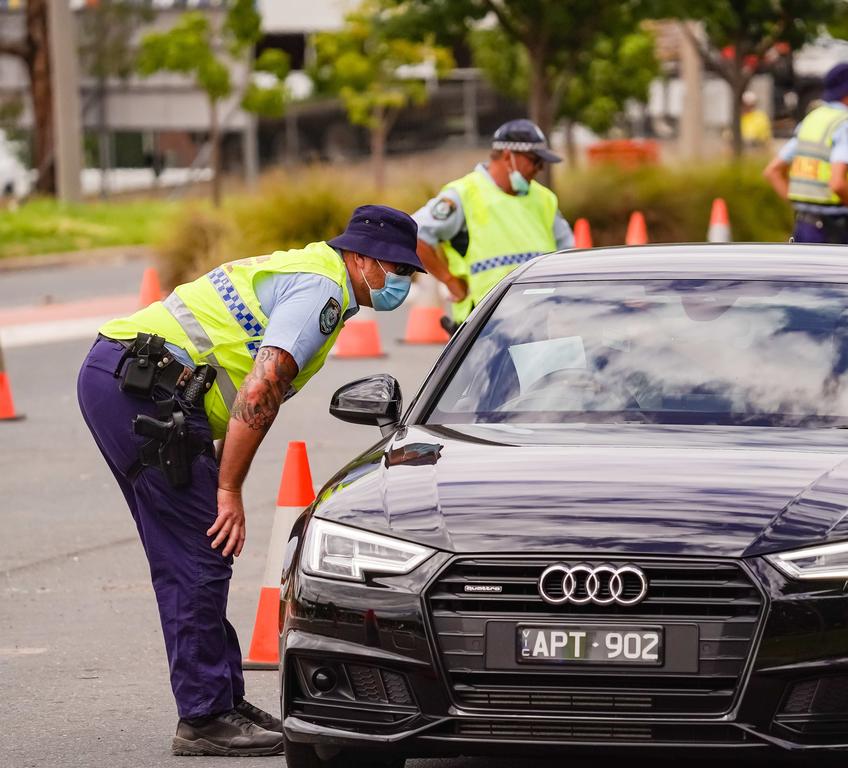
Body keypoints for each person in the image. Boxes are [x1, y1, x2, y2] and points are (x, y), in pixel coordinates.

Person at [76, 205, 424, 757]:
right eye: (395, 269)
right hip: (140, 388)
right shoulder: (321, 295)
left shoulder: (312, 272)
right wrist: (228, 490)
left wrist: (219, 474)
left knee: (195, 547)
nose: (402, 283)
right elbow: (259, 391)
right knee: (198, 549)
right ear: (360, 258)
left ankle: (223, 698)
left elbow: (234, 382)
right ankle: (205, 715)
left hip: (133, 381)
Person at [412, 118, 576, 330]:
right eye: (535, 160)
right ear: (509, 156)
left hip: (538, 321)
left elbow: (569, 255)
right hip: (483, 328)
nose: (540, 168)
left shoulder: (544, 199)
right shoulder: (465, 194)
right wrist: (449, 280)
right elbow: (414, 234)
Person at [763, 62, 848, 244]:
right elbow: (838, 183)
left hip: (804, 226)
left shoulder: (810, 121)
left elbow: (772, 172)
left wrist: (803, 207)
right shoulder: (846, 127)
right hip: (834, 231)